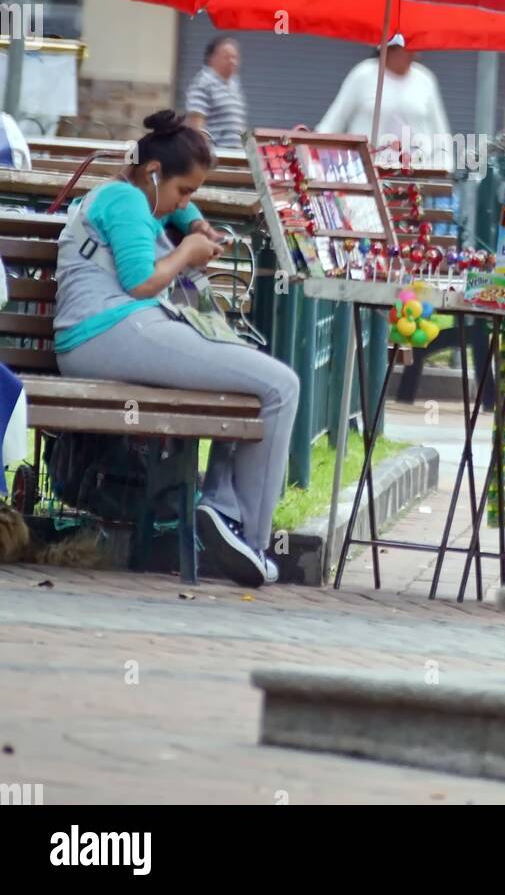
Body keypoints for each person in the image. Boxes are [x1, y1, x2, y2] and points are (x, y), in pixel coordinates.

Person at [53, 110, 299, 588]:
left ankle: (225, 511)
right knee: (280, 386)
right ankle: (251, 538)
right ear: (154, 173)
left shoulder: (128, 190)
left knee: (246, 385)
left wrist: (195, 219)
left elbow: (171, 204)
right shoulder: (126, 202)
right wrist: (187, 253)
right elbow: (142, 281)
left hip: (108, 335)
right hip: (113, 331)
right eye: (185, 191)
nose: (185, 203)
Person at [317, 33, 450, 167]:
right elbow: (332, 124)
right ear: (389, 48)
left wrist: (443, 169)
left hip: (415, 176)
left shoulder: (425, 80)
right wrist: (317, 159)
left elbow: (441, 135)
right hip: (368, 173)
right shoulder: (362, 76)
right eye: (408, 47)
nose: (414, 53)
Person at [185, 37, 247, 149]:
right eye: (226, 57)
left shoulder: (233, 83)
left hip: (236, 158)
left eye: (234, 57)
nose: (232, 61)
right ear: (212, 59)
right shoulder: (204, 82)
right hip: (217, 157)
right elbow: (195, 126)